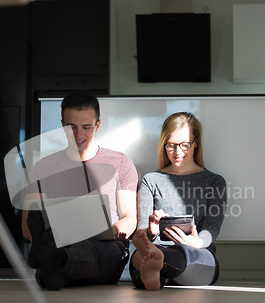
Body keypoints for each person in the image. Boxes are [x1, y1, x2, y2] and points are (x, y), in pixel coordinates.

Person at [22, 91, 138, 290]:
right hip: (61, 241)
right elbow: (28, 226)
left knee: (90, 250)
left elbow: (130, 218)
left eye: (86, 127)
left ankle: (53, 261)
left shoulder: (120, 163)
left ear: (98, 125)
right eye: (71, 127)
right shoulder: (43, 167)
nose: (78, 135)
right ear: (62, 124)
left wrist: (109, 232)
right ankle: (55, 265)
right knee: (61, 246)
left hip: (106, 246)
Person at [130, 112, 226, 291]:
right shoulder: (151, 180)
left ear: (195, 142)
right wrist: (151, 231)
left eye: (184, 145)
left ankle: (155, 269)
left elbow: (212, 228)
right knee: (142, 252)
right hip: (156, 246)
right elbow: (142, 231)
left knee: (179, 253)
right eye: (171, 145)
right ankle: (155, 266)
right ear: (163, 144)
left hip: (196, 251)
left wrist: (196, 242)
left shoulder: (214, 182)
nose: (177, 152)